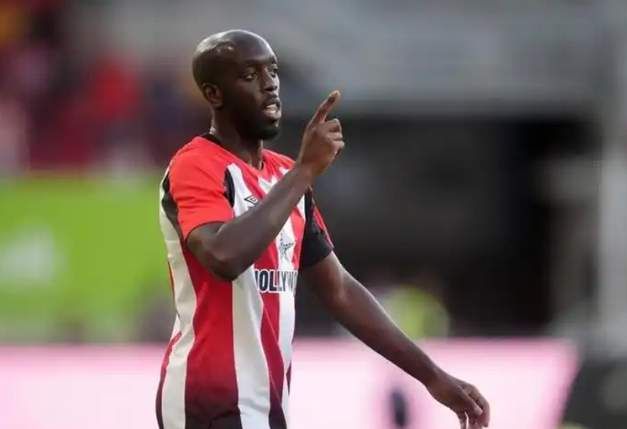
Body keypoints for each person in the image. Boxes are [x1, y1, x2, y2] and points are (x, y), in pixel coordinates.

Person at [156, 29, 490, 429]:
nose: (269, 84)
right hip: (207, 399)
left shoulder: (284, 175)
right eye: (249, 75)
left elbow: (339, 289)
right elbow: (223, 257)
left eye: (273, 71)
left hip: (266, 402)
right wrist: (305, 172)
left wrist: (432, 377)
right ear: (214, 94)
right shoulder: (196, 165)